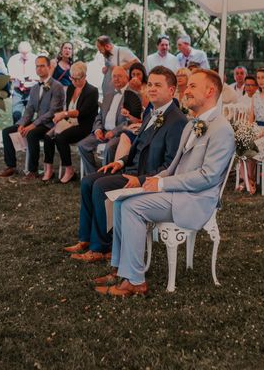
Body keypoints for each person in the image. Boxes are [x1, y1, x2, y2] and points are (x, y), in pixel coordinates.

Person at [93, 69, 234, 296]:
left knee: (132, 207)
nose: (185, 90)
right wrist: (154, 179)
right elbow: (174, 167)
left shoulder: (222, 129)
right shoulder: (191, 124)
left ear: (210, 91)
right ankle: (120, 270)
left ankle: (136, 281)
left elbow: (208, 176)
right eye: (186, 86)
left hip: (195, 200)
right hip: (177, 192)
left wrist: (161, 185)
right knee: (121, 202)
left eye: (192, 86)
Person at [66, 66, 187, 263]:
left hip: (146, 178)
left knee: (100, 186)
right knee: (88, 181)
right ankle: (86, 238)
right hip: (130, 168)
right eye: (151, 85)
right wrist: (120, 162)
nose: (152, 89)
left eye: (158, 85)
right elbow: (137, 145)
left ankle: (102, 247)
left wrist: (140, 179)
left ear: (171, 91)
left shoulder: (177, 120)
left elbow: (170, 165)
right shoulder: (152, 113)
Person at [0, 56, 65, 179]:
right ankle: (11, 166)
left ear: (49, 67)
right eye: (37, 66)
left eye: (42, 66)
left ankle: (33, 170)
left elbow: (52, 112)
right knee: (7, 131)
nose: (39, 69)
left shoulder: (57, 86)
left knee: (32, 133)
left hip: (51, 124)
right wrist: (22, 124)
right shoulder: (34, 87)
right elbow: (29, 109)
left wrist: (32, 125)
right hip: (38, 122)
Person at [42, 62, 99, 183]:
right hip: (69, 123)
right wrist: (61, 117)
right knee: (48, 136)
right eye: (72, 78)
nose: (74, 81)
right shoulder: (71, 87)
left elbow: (82, 112)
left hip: (84, 125)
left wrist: (64, 114)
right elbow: (68, 107)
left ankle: (69, 170)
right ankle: (49, 168)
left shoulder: (92, 91)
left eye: (77, 79)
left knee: (61, 138)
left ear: (84, 77)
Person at [77, 66, 131, 175]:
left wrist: (114, 132)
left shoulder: (131, 96)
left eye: (119, 76)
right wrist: (97, 129)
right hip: (103, 132)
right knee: (82, 145)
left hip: (119, 134)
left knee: (110, 147)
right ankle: (93, 175)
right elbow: (99, 116)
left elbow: (129, 121)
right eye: (114, 76)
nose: (116, 79)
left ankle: (106, 178)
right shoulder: (108, 95)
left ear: (127, 78)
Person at [7, 41, 38, 123]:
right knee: (16, 114)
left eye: (26, 53)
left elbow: (40, 77)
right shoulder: (13, 60)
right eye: (22, 53)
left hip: (31, 90)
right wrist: (17, 77)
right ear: (19, 51)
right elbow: (9, 76)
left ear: (30, 50)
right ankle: (16, 134)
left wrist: (31, 78)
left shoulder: (36, 60)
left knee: (29, 117)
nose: (25, 56)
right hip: (18, 91)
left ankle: (26, 134)